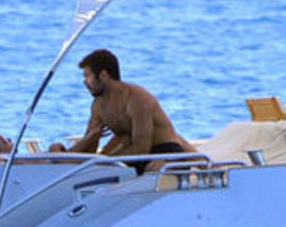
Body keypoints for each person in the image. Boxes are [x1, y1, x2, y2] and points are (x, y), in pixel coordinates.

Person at [53, 49, 196, 174]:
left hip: (165, 152)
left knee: (150, 168)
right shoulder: (98, 106)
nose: (84, 82)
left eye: (87, 76)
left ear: (103, 75)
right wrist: (89, 140)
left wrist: (105, 162)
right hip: (133, 156)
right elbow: (89, 151)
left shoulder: (137, 98)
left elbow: (141, 148)